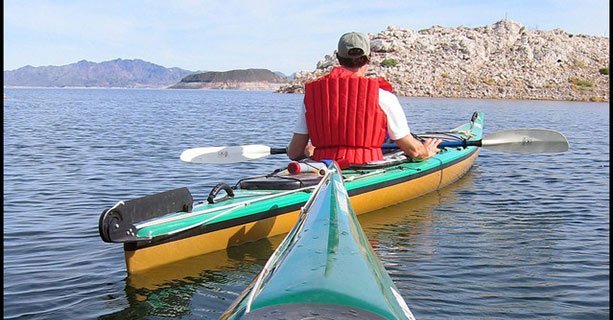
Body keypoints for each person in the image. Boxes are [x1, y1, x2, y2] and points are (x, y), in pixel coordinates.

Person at [287, 32, 441, 168]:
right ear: (368, 58)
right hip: (368, 170)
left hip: (324, 168)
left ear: (339, 58)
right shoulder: (384, 97)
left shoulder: (312, 97)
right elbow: (414, 150)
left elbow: (294, 153)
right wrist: (426, 152)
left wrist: (313, 151)